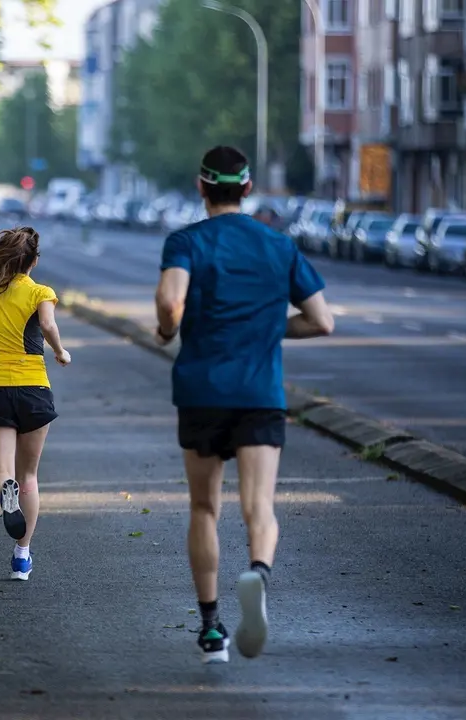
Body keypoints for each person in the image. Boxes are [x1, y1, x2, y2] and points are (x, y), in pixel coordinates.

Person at [153, 146, 334, 664]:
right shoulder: (279, 245)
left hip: (202, 392)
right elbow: (322, 320)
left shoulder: (186, 241)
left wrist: (168, 328)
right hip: (260, 394)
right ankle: (257, 572)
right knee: (260, 507)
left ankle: (211, 629)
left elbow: (171, 301)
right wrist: (267, 327)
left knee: (204, 507)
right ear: (248, 188)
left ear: (201, 187)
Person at [0, 227, 71, 581]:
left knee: (1, 473)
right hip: (34, 388)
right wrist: (59, 351)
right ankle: (22, 556)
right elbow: (48, 325)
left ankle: (7, 493)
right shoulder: (40, 292)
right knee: (30, 477)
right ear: (33, 262)